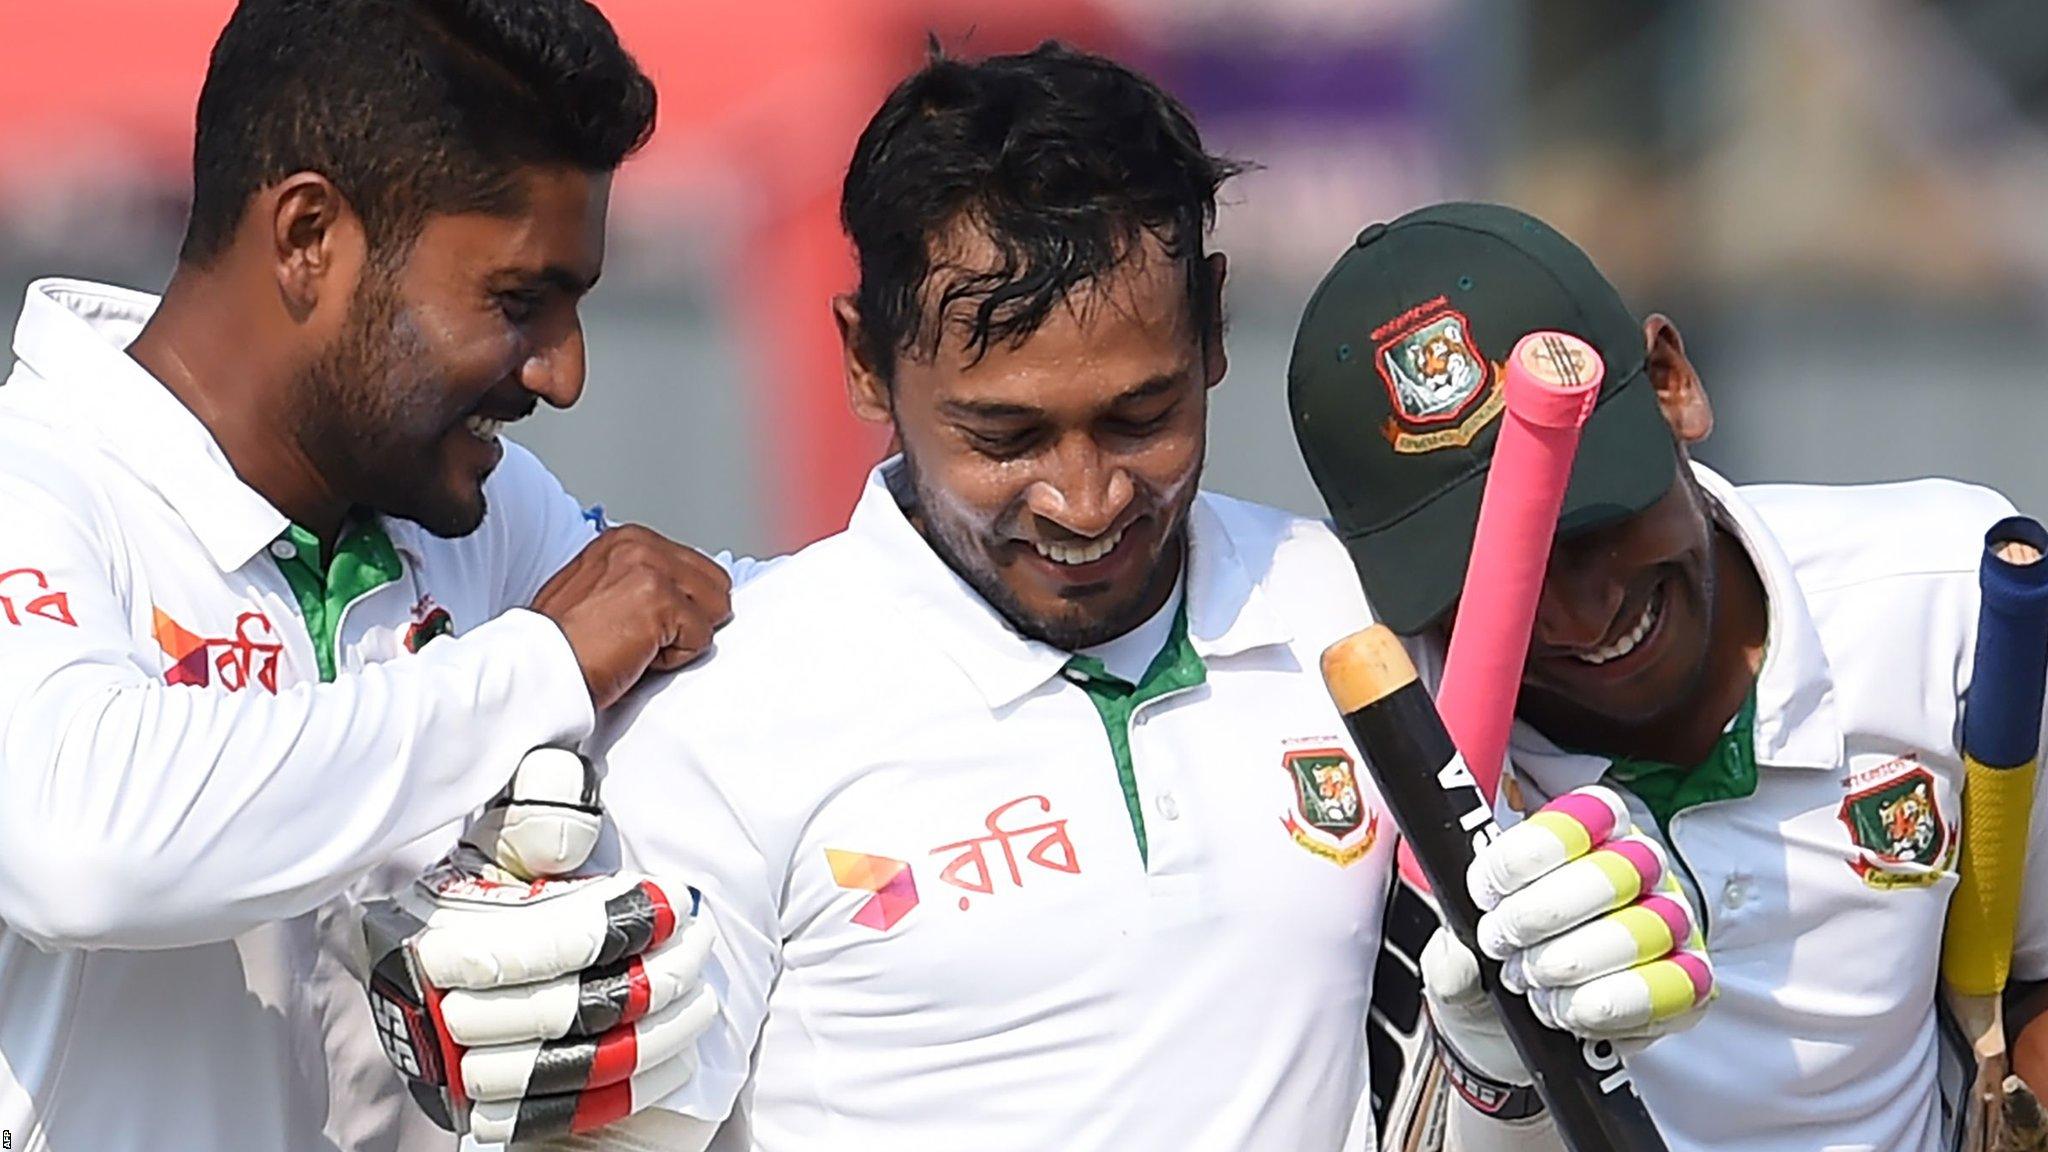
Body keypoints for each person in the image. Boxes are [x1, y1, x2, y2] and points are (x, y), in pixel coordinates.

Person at [516, 46, 1712, 1152]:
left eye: (1142, 418)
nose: (1086, 502)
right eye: (1005, 436)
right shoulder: (727, 709)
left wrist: (1538, 1021)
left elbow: (1507, 1052)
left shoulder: (1359, 618)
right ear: (864, 363)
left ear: (1214, 328)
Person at [0, 3, 736, 1150]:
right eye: (516, 301)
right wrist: (532, 671)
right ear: (307, 236)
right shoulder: (32, 487)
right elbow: (76, 845)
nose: (564, 372)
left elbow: (757, 680)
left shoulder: (482, 512)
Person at [1287, 200, 2048, 1150]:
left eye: (1593, 526)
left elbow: (2031, 976)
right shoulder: (1369, 742)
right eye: (1483, 584)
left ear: (1670, 383)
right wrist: (1493, 1068)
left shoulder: (1947, 598)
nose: (1578, 615)